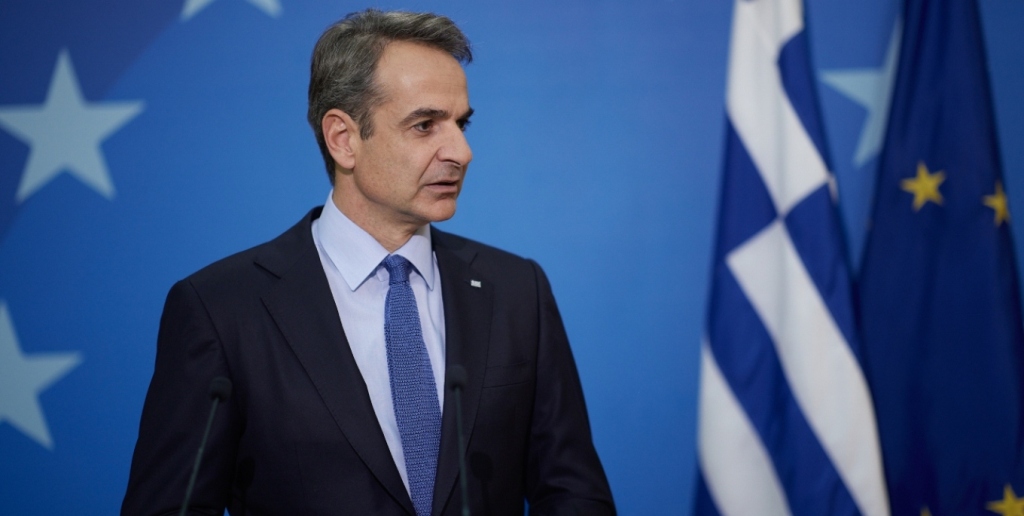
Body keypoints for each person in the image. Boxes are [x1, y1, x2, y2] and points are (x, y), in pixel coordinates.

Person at [122, 9, 614, 516]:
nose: (461, 151)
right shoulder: (223, 310)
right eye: (425, 125)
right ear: (343, 139)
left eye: (461, 123)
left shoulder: (516, 290)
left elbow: (574, 492)